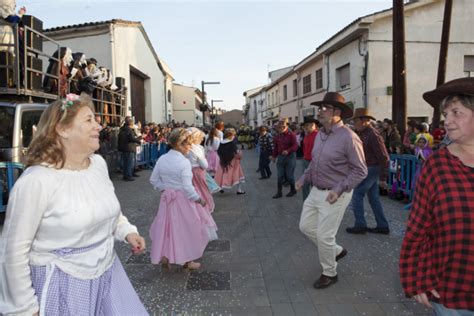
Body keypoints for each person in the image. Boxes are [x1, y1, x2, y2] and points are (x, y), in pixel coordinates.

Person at [0, 93, 148, 315]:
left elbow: (109, 211)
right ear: (62, 129)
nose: (98, 126)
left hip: (108, 274)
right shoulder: (36, 180)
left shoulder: (97, 165)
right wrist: (24, 308)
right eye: (88, 120)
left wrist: (126, 231)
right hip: (63, 286)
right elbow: (13, 250)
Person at [400, 77, 474, 314]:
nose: (447, 121)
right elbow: (418, 227)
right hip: (450, 288)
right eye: (445, 113)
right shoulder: (437, 165)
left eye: (456, 112)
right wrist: (415, 277)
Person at [296, 92, 367, 289]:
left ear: (337, 112)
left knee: (324, 235)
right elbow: (315, 163)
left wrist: (339, 189)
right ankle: (336, 251)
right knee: (305, 227)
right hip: (315, 190)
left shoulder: (349, 137)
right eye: (320, 108)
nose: (320, 112)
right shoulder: (320, 134)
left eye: (324, 108)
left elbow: (361, 171)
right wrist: (304, 177)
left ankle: (330, 272)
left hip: (336, 193)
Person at [149, 128, 217, 271]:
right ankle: (187, 260)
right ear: (180, 145)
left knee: (167, 228)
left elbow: (153, 180)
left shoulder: (162, 159)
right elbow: (187, 187)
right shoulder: (183, 163)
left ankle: (165, 256)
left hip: (167, 201)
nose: (190, 148)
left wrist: (166, 189)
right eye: (188, 145)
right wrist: (199, 200)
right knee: (187, 228)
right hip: (183, 200)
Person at [345, 108, 390, 235]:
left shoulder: (373, 135)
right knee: (373, 197)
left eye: (355, 121)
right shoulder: (365, 133)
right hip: (369, 167)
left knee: (357, 194)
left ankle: (360, 224)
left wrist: (382, 178)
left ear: (364, 121)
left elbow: (384, 157)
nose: (354, 124)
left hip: (371, 168)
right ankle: (382, 225)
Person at [187, 127, 215, 213]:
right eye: (200, 137)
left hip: (187, 170)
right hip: (197, 171)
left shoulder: (186, 147)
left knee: (191, 189)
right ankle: (205, 206)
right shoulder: (196, 148)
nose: (202, 139)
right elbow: (204, 165)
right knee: (202, 189)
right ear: (196, 137)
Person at [271, 119, 298, 198]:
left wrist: (288, 150)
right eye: (279, 127)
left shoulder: (291, 135)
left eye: (282, 127)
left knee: (290, 175)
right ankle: (279, 192)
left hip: (290, 157)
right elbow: (275, 147)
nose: (280, 129)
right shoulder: (277, 136)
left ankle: (293, 190)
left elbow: (295, 146)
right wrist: (274, 156)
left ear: (286, 127)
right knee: (280, 176)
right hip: (281, 157)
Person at [215, 128, 246, 194]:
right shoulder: (232, 143)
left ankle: (221, 187)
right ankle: (239, 190)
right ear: (230, 135)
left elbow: (218, 152)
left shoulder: (221, 142)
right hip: (233, 162)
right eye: (233, 135)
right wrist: (240, 154)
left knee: (222, 174)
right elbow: (236, 154)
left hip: (223, 161)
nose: (234, 137)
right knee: (237, 174)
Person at [118, 116, 141, 181]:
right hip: (129, 148)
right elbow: (131, 139)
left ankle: (126, 175)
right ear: (130, 123)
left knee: (126, 163)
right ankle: (128, 176)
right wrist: (139, 139)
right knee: (128, 163)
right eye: (132, 122)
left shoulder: (122, 129)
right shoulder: (129, 130)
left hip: (124, 148)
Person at [301, 116, 319, 201]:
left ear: (312, 125)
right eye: (304, 126)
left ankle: (314, 202)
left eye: (306, 125)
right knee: (305, 183)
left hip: (314, 162)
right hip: (305, 161)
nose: (305, 128)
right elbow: (304, 148)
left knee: (314, 184)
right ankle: (306, 202)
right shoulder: (306, 136)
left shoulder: (318, 135)